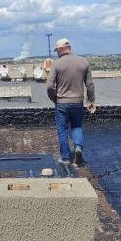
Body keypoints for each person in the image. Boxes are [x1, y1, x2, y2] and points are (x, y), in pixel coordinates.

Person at [46, 38, 96, 166]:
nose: (57, 53)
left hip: (62, 102)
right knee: (77, 126)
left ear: (60, 49)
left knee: (62, 130)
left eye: (57, 50)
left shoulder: (56, 64)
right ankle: (78, 148)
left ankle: (65, 158)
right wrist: (91, 101)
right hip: (78, 102)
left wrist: (54, 98)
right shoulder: (83, 62)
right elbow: (90, 85)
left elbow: (49, 86)